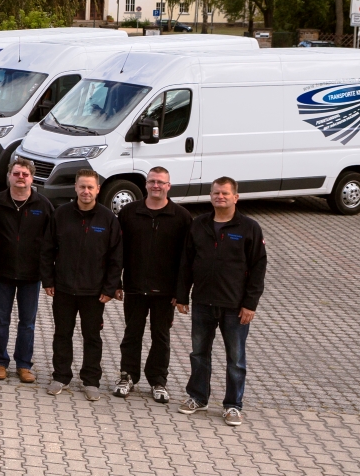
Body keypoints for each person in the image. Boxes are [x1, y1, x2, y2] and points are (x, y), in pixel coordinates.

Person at [177, 177, 267, 427]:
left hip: (235, 306)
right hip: (203, 302)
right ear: (210, 196)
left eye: (226, 193)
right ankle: (197, 397)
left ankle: (233, 405)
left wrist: (250, 304)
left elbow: (259, 268)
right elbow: (186, 262)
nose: (220, 197)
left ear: (235, 197)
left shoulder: (249, 228)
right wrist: (182, 295)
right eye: (216, 193)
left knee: (235, 359)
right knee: (198, 353)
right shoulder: (199, 225)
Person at [41, 169, 123, 401]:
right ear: (75, 188)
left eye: (91, 187)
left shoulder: (108, 219)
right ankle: (61, 377)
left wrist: (109, 288)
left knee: (92, 337)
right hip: (63, 288)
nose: (86, 191)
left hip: (94, 293)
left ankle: (91, 381)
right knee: (62, 334)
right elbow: (47, 250)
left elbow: (116, 258)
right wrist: (48, 280)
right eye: (82, 187)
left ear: (98, 189)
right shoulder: (61, 215)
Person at [114, 166, 193, 402]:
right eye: (152, 181)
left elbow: (186, 259)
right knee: (132, 334)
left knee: (161, 337)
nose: (156, 186)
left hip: (165, 292)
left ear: (169, 186)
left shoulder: (181, 217)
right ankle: (127, 376)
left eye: (161, 182)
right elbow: (118, 251)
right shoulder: (129, 212)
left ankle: (158, 381)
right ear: (146, 185)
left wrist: (181, 294)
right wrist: (116, 282)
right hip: (135, 288)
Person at [0, 158, 53, 383]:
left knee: (27, 322)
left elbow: (50, 242)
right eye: (16, 174)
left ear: (32, 178)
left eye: (25, 174)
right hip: (3, 272)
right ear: (9, 176)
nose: (20, 178)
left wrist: (48, 275)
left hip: (31, 274)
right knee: (0, 320)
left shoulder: (43, 205)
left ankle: (24, 365)